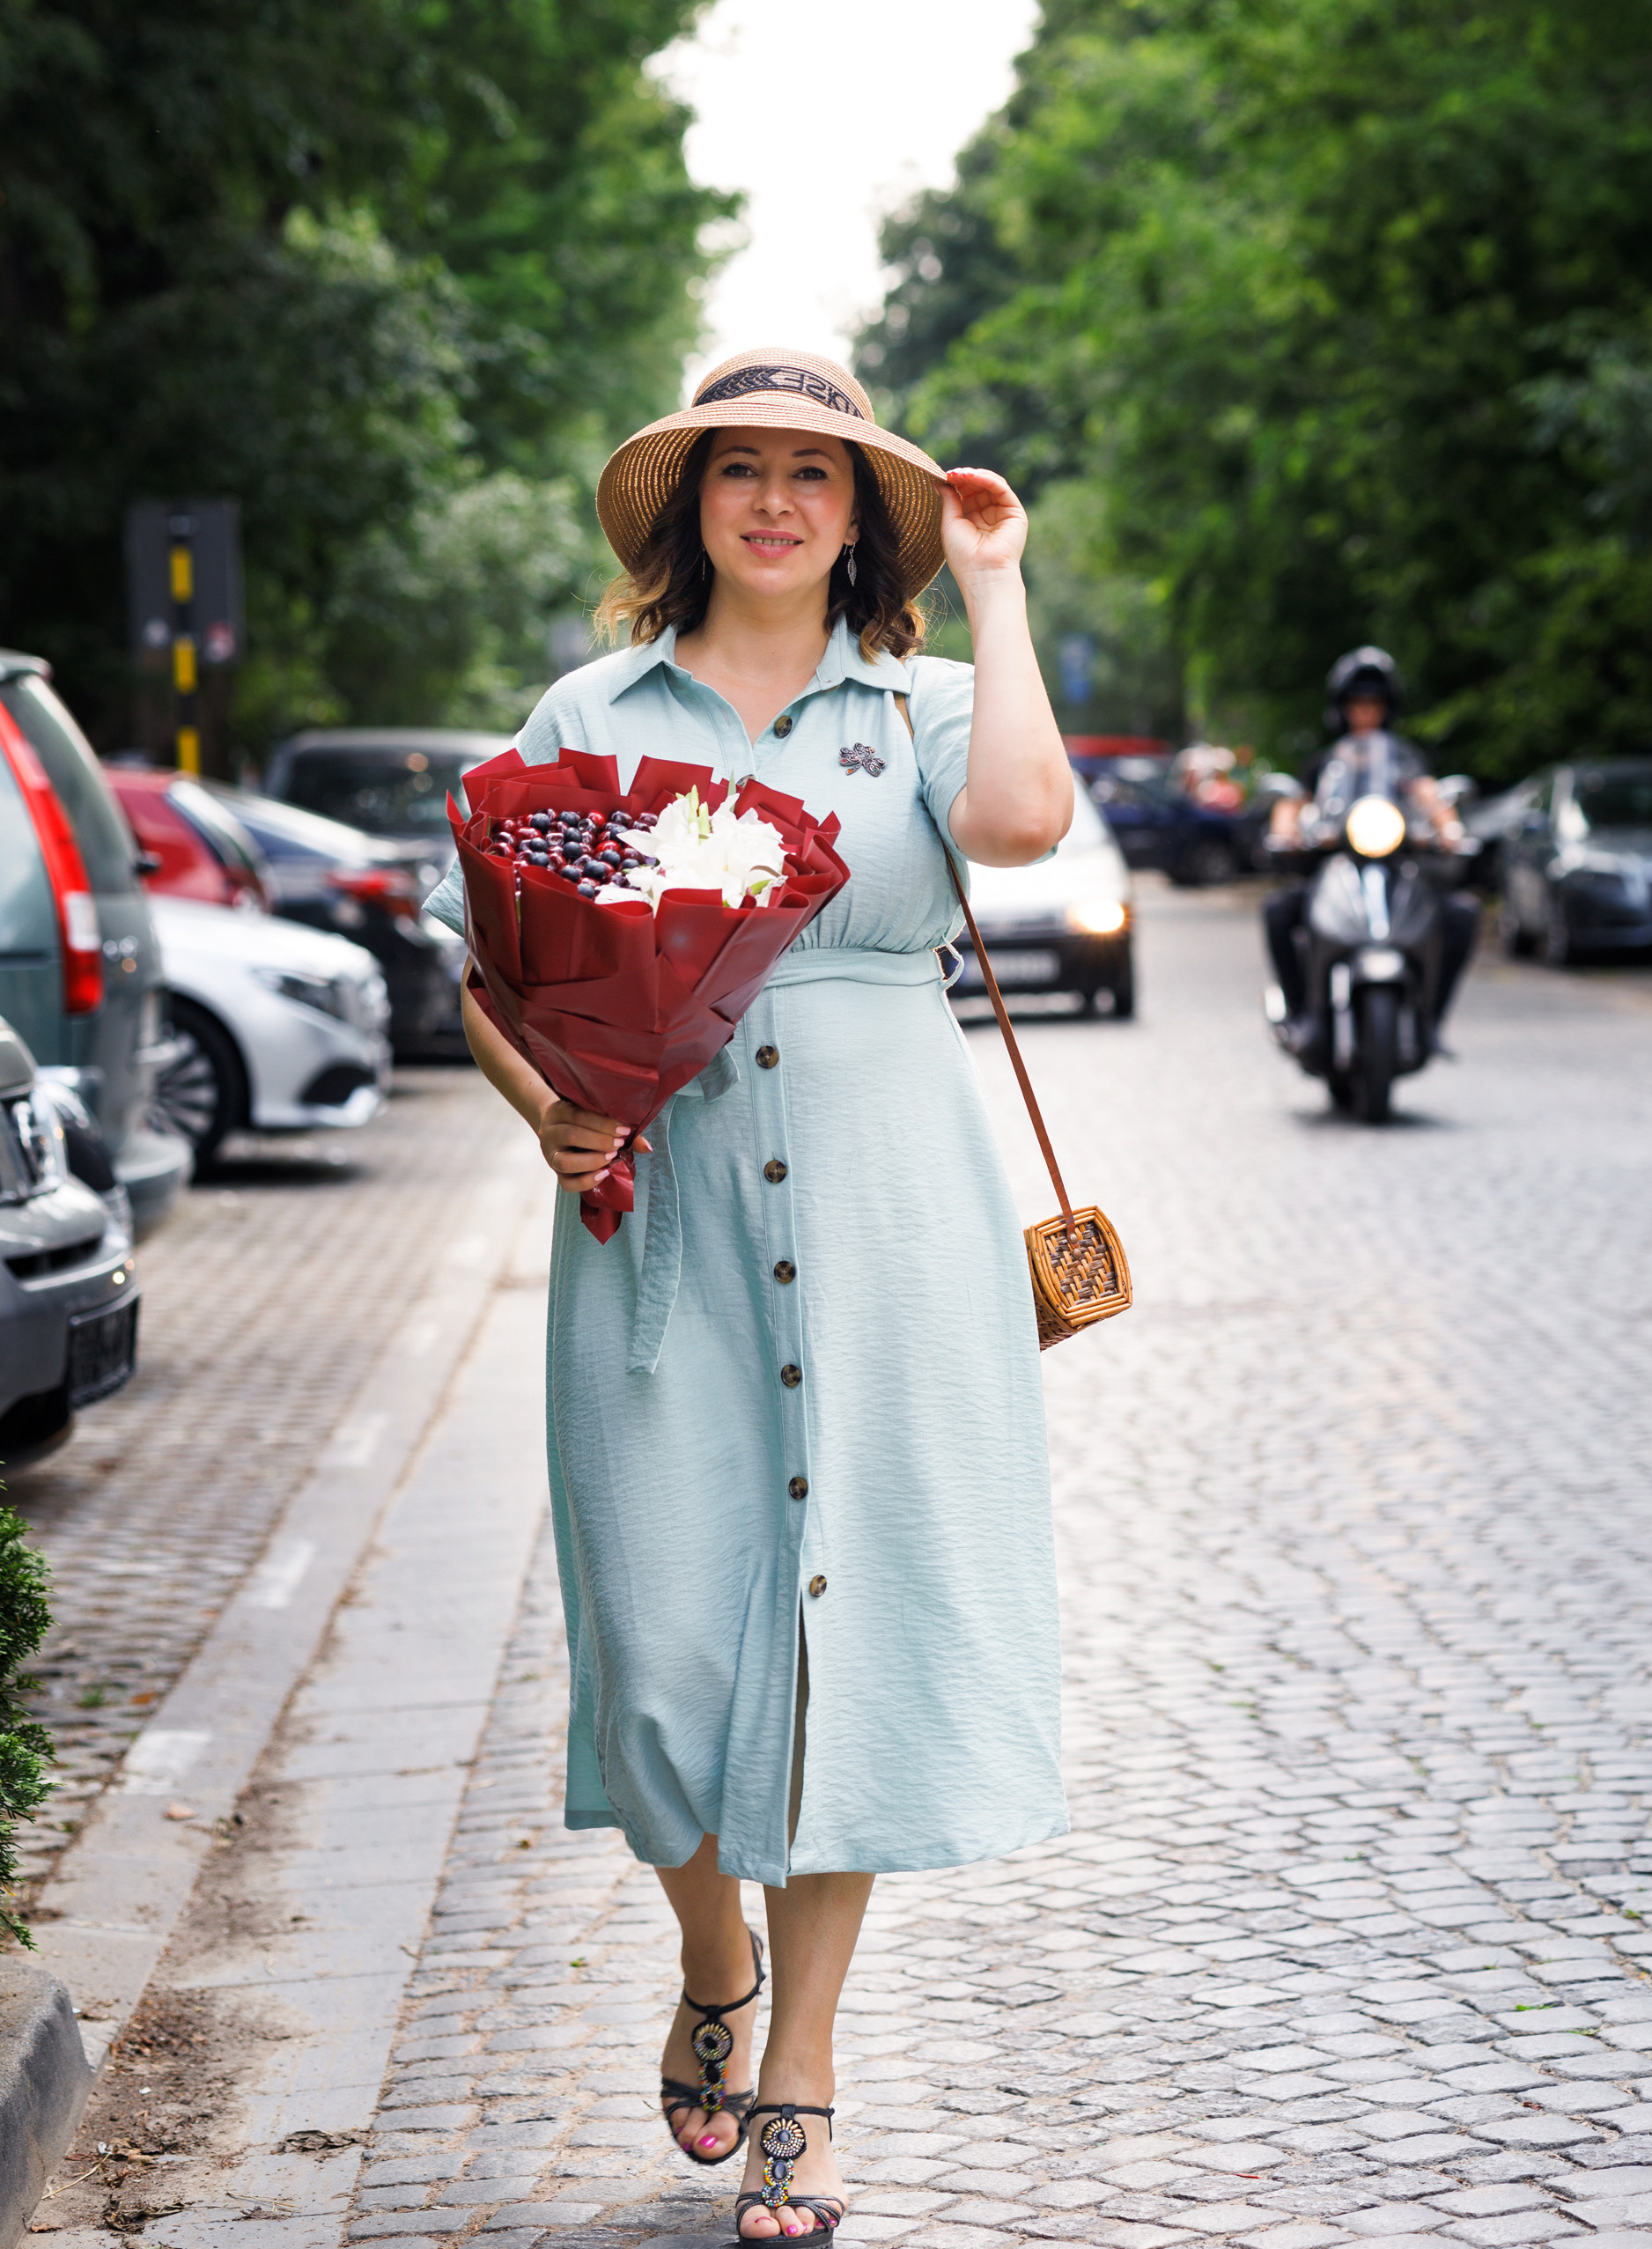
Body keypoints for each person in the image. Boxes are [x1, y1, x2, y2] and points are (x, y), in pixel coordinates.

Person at [424, 347, 1074, 2243]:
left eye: (815, 473)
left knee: (842, 1645)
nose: (776, 501)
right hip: (659, 1213)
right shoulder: (589, 713)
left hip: (891, 1222)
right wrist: (548, 1103)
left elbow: (1028, 829)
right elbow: (493, 971)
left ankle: (804, 2067)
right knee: (663, 1659)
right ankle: (711, 1955)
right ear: (691, 504)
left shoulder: (925, 707)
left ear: (862, 514)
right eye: (742, 470)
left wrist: (998, 582)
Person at [1264, 647, 1477, 1043]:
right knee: (1278, 911)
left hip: (1397, 867)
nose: (1365, 713)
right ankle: (1302, 1014)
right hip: (1335, 866)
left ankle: (1431, 1020)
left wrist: (1450, 830)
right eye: (1357, 705)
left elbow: (1432, 798)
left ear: (1387, 709)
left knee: (1462, 915)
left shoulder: (1404, 760)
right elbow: (1292, 803)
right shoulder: (1326, 762)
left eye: (1373, 705)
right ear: (1342, 709)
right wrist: (1286, 831)